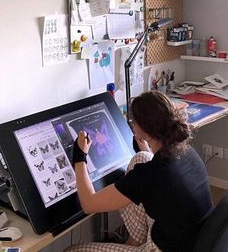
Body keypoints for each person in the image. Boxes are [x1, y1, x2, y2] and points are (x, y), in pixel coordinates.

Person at [64, 90, 213, 252]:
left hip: (167, 248)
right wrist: (148, 149)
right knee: (141, 156)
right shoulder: (186, 151)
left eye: (132, 121)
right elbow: (156, 173)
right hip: (195, 239)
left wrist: (80, 156)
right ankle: (134, 243)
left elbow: (88, 204)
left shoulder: (148, 175)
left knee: (71, 250)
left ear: (143, 129)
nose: (131, 124)